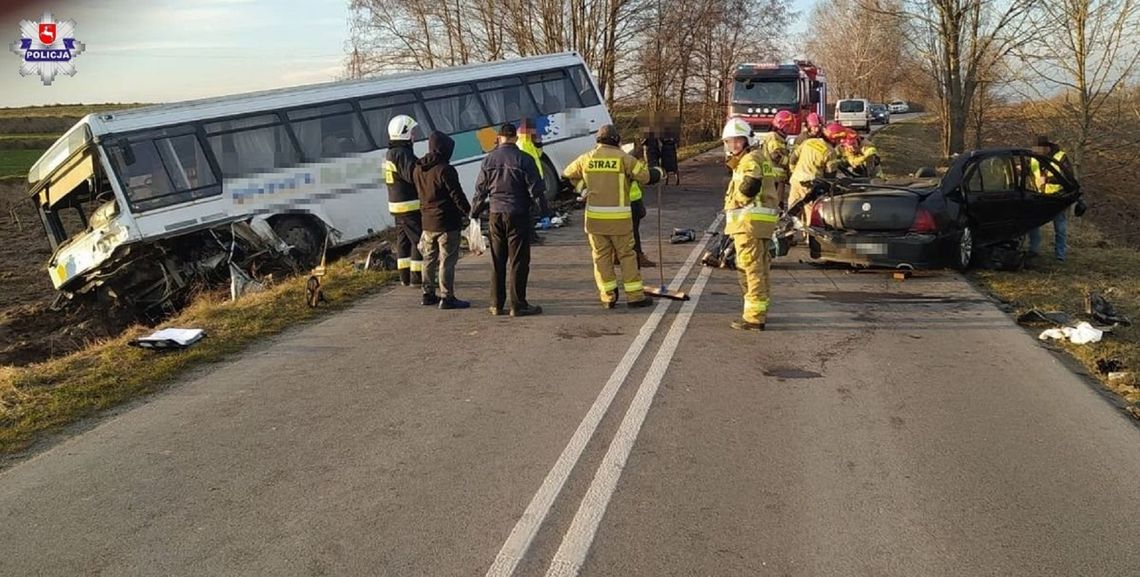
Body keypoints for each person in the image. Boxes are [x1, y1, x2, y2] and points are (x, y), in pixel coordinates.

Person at [563, 124, 662, 309]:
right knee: (627, 256)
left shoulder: (587, 158)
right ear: (617, 140)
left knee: (601, 257)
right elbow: (646, 177)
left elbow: (567, 174)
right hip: (620, 221)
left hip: (595, 221)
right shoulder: (624, 158)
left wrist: (581, 189)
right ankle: (634, 297)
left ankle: (608, 296)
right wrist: (659, 172)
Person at [470, 123, 548, 317]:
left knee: (498, 260)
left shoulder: (488, 160)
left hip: (495, 214)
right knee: (518, 261)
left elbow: (480, 191)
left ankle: (496, 304)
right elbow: (536, 190)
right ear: (514, 138)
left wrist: (474, 213)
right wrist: (545, 212)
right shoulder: (525, 159)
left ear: (499, 137)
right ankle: (518, 304)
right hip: (518, 214)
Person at [721, 117, 781, 331]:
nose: (733, 145)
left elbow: (749, 186)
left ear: (746, 140)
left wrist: (738, 200)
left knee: (750, 270)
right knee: (761, 268)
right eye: (730, 142)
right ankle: (760, 310)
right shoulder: (759, 156)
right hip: (760, 224)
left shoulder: (749, 160)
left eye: (737, 141)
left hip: (748, 224)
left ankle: (754, 317)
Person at [414, 131, 472, 310]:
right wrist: (469, 212)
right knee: (447, 260)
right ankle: (447, 297)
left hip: (427, 221)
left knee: (429, 258)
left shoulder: (418, 169)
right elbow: (457, 195)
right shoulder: (445, 170)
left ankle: (428, 294)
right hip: (447, 222)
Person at [385, 114, 424, 286]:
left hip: (396, 205)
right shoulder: (403, 154)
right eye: (412, 132)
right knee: (419, 240)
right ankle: (418, 277)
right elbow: (413, 176)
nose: (414, 136)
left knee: (403, 241)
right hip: (409, 205)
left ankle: (405, 277)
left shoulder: (391, 153)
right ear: (404, 133)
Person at [1028, 135, 1074, 262]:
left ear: (1046, 147)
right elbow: (1031, 171)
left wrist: (1048, 180)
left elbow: (1068, 177)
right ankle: (1033, 250)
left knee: (1060, 228)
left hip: (1057, 198)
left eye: (1037, 149)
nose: (1035, 152)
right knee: (1033, 224)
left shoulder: (1060, 157)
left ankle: (1060, 255)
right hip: (1039, 197)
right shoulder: (1034, 158)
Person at [788, 121, 843, 223]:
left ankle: (788, 235)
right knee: (810, 214)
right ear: (834, 138)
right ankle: (808, 238)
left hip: (795, 181)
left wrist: (793, 172)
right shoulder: (830, 152)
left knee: (793, 211)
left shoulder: (809, 142)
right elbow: (830, 176)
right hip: (810, 186)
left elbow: (792, 158)